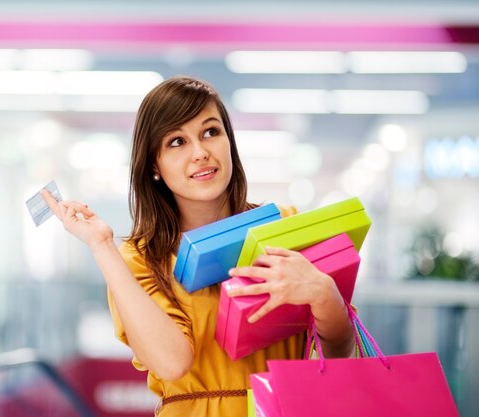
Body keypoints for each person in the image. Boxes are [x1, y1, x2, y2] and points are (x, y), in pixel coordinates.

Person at [42, 75, 355, 416]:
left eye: (210, 132)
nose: (201, 152)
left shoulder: (282, 225)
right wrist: (101, 245)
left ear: (229, 141)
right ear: (154, 165)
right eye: (177, 142)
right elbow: (171, 362)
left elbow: (339, 355)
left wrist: (324, 293)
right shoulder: (142, 257)